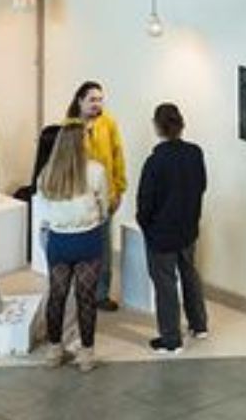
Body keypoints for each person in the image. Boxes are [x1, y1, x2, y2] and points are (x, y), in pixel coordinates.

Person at [35, 124, 108, 372]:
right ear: (80, 144)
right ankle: (86, 355)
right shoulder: (96, 171)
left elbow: (43, 214)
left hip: (59, 242)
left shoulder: (47, 174)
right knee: (86, 298)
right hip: (87, 241)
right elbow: (105, 208)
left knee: (57, 296)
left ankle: (54, 350)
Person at [137, 102, 208, 355]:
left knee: (165, 284)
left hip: (161, 234)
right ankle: (199, 325)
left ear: (157, 127)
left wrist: (145, 224)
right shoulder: (195, 153)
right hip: (188, 229)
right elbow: (201, 186)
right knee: (190, 274)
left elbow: (145, 202)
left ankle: (171, 339)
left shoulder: (155, 162)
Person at [67, 82, 125, 312]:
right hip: (78, 198)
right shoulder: (68, 127)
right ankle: (80, 290)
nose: (97, 104)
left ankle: (101, 294)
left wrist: (119, 188)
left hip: (104, 196)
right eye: (92, 99)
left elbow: (117, 155)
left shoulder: (108, 123)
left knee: (103, 247)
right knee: (80, 246)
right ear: (80, 100)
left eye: (100, 99)